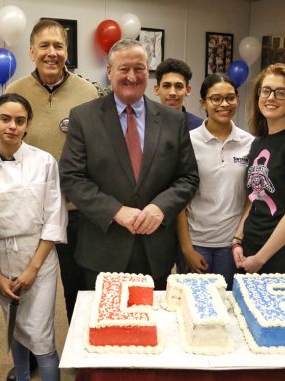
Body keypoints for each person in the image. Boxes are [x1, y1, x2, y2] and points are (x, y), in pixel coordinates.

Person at [59, 38, 199, 291]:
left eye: (139, 69)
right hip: (103, 249)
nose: (132, 77)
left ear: (148, 72)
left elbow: (187, 177)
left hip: (155, 251)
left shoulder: (172, 120)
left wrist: (160, 207)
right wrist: (115, 210)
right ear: (110, 73)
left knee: (154, 324)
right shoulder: (83, 117)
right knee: (103, 325)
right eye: (124, 69)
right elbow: (72, 177)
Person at [0, 93, 66, 381]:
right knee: (14, 328)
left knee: (41, 335)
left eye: (19, 120)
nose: (11, 126)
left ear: (27, 125)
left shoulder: (45, 162)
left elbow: (55, 219)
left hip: (39, 258)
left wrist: (32, 268)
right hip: (0, 259)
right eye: (5, 119)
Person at [6, 19, 98, 326]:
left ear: (67, 52)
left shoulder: (88, 92)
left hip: (75, 209)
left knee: (78, 285)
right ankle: (28, 353)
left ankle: (80, 348)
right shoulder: (14, 91)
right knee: (28, 283)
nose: (51, 52)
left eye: (58, 46)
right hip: (31, 210)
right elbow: (8, 148)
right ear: (31, 51)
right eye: (44, 45)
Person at [232, 63, 285, 284]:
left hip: (280, 253)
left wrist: (260, 259)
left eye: (280, 92)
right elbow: (254, 199)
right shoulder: (258, 142)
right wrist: (238, 239)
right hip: (250, 246)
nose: (271, 98)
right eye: (266, 90)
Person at [177, 73, 253, 288]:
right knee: (195, 309)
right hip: (196, 243)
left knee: (228, 308)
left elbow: (252, 196)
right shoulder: (188, 141)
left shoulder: (249, 143)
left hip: (232, 246)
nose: (224, 104)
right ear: (203, 103)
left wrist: (239, 238)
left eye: (230, 97)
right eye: (216, 98)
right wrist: (186, 248)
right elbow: (179, 199)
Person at [154, 58, 203, 130]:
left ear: (188, 90)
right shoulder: (146, 124)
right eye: (166, 86)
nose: (172, 93)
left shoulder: (199, 126)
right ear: (157, 90)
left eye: (178, 86)